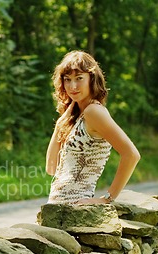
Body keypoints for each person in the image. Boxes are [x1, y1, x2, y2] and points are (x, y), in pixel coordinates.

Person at [46, 50, 140, 204]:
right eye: (67, 79)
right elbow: (51, 167)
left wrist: (106, 199)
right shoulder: (76, 116)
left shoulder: (94, 112)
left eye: (79, 78)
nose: (73, 86)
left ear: (92, 79)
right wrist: (59, 125)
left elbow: (132, 155)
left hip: (75, 210)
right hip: (57, 209)